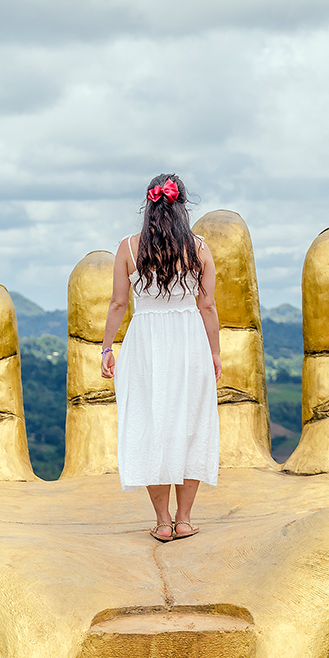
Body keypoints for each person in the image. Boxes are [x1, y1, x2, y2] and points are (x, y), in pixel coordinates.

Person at [100, 173, 221, 541]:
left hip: (145, 342)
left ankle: (162, 523)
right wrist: (214, 352)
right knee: (190, 424)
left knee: (151, 424)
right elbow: (208, 305)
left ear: (148, 205)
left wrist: (107, 347)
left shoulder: (128, 247)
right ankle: (185, 520)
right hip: (189, 342)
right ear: (182, 205)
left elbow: (119, 303)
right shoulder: (199, 248)